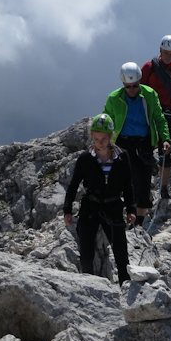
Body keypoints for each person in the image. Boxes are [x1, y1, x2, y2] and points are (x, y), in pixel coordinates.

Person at [63, 113, 137, 284]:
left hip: (113, 206)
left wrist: (131, 209)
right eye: (96, 138)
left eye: (103, 138)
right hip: (90, 207)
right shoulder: (85, 158)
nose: (99, 142)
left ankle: (125, 287)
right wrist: (67, 210)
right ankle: (89, 287)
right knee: (86, 253)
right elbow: (73, 185)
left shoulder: (122, 156)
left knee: (121, 253)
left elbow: (128, 185)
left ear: (111, 136)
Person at [103, 62, 170, 225]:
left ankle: (139, 222)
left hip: (144, 144)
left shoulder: (149, 95)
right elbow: (107, 120)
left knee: (144, 182)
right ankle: (127, 216)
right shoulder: (114, 98)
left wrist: (165, 139)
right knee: (128, 180)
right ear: (123, 85)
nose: (132, 89)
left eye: (135, 86)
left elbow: (159, 118)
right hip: (123, 144)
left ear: (139, 82)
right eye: (128, 86)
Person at [141, 34, 171, 199]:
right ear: (160, 50)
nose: (168, 56)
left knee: (165, 151)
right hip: (148, 113)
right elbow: (139, 90)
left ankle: (164, 188)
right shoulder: (149, 67)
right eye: (166, 52)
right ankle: (145, 185)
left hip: (167, 113)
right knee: (145, 149)